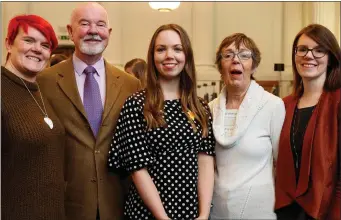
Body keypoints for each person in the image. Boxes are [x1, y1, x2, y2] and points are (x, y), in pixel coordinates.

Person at [38, 3, 141, 220]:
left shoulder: (131, 85)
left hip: (118, 203)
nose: (93, 30)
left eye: (100, 24)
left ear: (109, 33)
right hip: (66, 204)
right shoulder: (45, 81)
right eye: (84, 24)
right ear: (70, 31)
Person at [108, 24, 215, 219]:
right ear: (152, 56)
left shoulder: (200, 107)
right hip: (148, 212)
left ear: (187, 56)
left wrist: (203, 213)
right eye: (161, 49)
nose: (169, 55)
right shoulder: (136, 104)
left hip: (192, 213)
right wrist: (163, 217)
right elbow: (137, 168)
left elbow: (205, 160)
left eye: (177, 48)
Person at [209, 33, 285, 219]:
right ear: (220, 67)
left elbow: (281, 165)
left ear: (254, 65)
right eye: (228, 55)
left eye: (244, 55)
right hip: (218, 210)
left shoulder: (272, 106)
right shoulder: (209, 109)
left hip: (259, 210)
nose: (236, 60)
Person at [1, 14, 65, 220]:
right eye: (28, 40)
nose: (37, 49)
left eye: (45, 45)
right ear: (9, 44)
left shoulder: (42, 91)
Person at [275, 24, 341, 220]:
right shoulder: (283, 105)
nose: (309, 55)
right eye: (302, 49)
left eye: (319, 50)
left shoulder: (337, 102)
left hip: (327, 210)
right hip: (285, 210)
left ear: (331, 58)